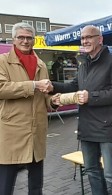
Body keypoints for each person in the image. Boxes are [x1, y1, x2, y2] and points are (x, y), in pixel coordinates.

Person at [51, 25, 112, 195]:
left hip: (107, 125)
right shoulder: (83, 63)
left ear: (100, 39)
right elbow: (73, 86)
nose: (85, 41)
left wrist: (90, 97)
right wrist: (52, 86)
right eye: (82, 38)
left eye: (89, 37)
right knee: (92, 170)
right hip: (86, 125)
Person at [0, 22, 54, 195]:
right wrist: (32, 85)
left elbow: (45, 94)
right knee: (5, 185)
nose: (25, 41)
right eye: (21, 37)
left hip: (36, 130)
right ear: (13, 40)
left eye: (29, 38)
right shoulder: (2, 61)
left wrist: (53, 101)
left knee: (36, 184)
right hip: (12, 131)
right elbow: (1, 88)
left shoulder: (41, 64)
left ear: (34, 40)